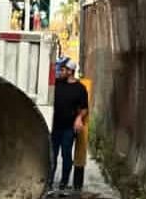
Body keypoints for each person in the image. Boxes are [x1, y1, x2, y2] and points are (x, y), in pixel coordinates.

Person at [50, 58, 88, 192]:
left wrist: (79, 118)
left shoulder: (80, 88)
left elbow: (84, 108)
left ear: (70, 71)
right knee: (52, 155)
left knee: (66, 155)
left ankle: (64, 182)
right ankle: (49, 181)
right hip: (54, 127)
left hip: (68, 129)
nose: (60, 72)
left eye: (63, 70)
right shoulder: (57, 83)